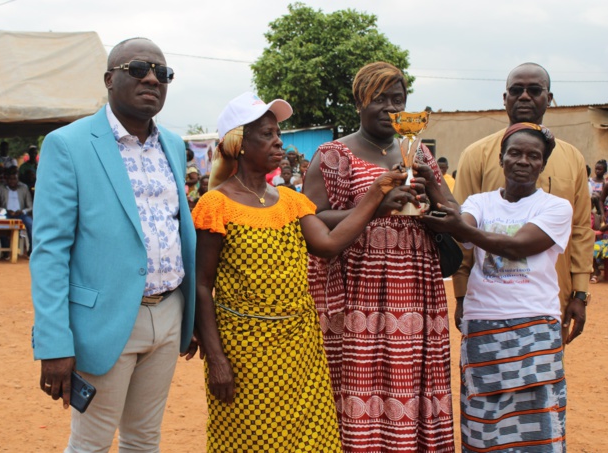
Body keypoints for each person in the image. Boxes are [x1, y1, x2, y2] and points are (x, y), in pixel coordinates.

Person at [193, 92, 408, 452]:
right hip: (245, 351)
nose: (279, 140)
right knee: (251, 440)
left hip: (300, 348)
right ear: (238, 144)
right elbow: (202, 286)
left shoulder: (290, 201)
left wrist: (375, 194)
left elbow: (328, 244)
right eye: (266, 134)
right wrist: (217, 359)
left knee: (310, 440)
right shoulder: (216, 204)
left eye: (278, 131)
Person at [30, 37, 195, 452]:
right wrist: (54, 342)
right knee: (92, 443)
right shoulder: (68, 144)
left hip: (168, 312)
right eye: (138, 69)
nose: (153, 79)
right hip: (103, 321)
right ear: (109, 79)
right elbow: (50, 251)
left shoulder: (173, 145)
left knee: (144, 439)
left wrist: (187, 315)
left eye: (163, 73)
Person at [303, 62, 457, 452]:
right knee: (362, 382)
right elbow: (311, 217)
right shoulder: (333, 155)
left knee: (412, 378)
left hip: (416, 288)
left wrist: (432, 201)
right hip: (359, 292)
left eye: (398, 99)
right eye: (380, 99)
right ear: (359, 102)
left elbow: (452, 210)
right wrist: (377, 205)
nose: (390, 108)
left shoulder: (416, 150)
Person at [424, 123, 572, 452]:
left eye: (533, 156)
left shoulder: (556, 207)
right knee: (483, 423)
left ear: (542, 165)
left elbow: (517, 246)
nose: (523, 160)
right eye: (515, 153)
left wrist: (459, 226)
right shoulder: (480, 202)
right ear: (501, 159)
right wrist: (429, 181)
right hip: (483, 325)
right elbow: (463, 229)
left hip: (534, 325)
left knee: (539, 425)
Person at [453, 63, 593, 344]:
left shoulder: (573, 157)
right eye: (516, 90)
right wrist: (461, 293)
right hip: (487, 299)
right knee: (485, 379)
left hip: (551, 294)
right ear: (505, 99)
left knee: (542, 374)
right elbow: (461, 229)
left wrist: (579, 292)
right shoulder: (476, 154)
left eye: (534, 90)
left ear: (549, 98)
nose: (525, 97)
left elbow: (580, 229)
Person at [0, 167, 33, 257]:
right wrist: (5, 210)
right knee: (0, 224)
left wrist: (22, 211)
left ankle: (31, 250)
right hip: (6, 214)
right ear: (6, 179)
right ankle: (6, 251)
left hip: (21, 214)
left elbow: (31, 206)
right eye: (10, 179)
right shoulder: (1, 188)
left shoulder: (24, 188)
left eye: (14, 179)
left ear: (18, 179)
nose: (12, 181)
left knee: (31, 224)